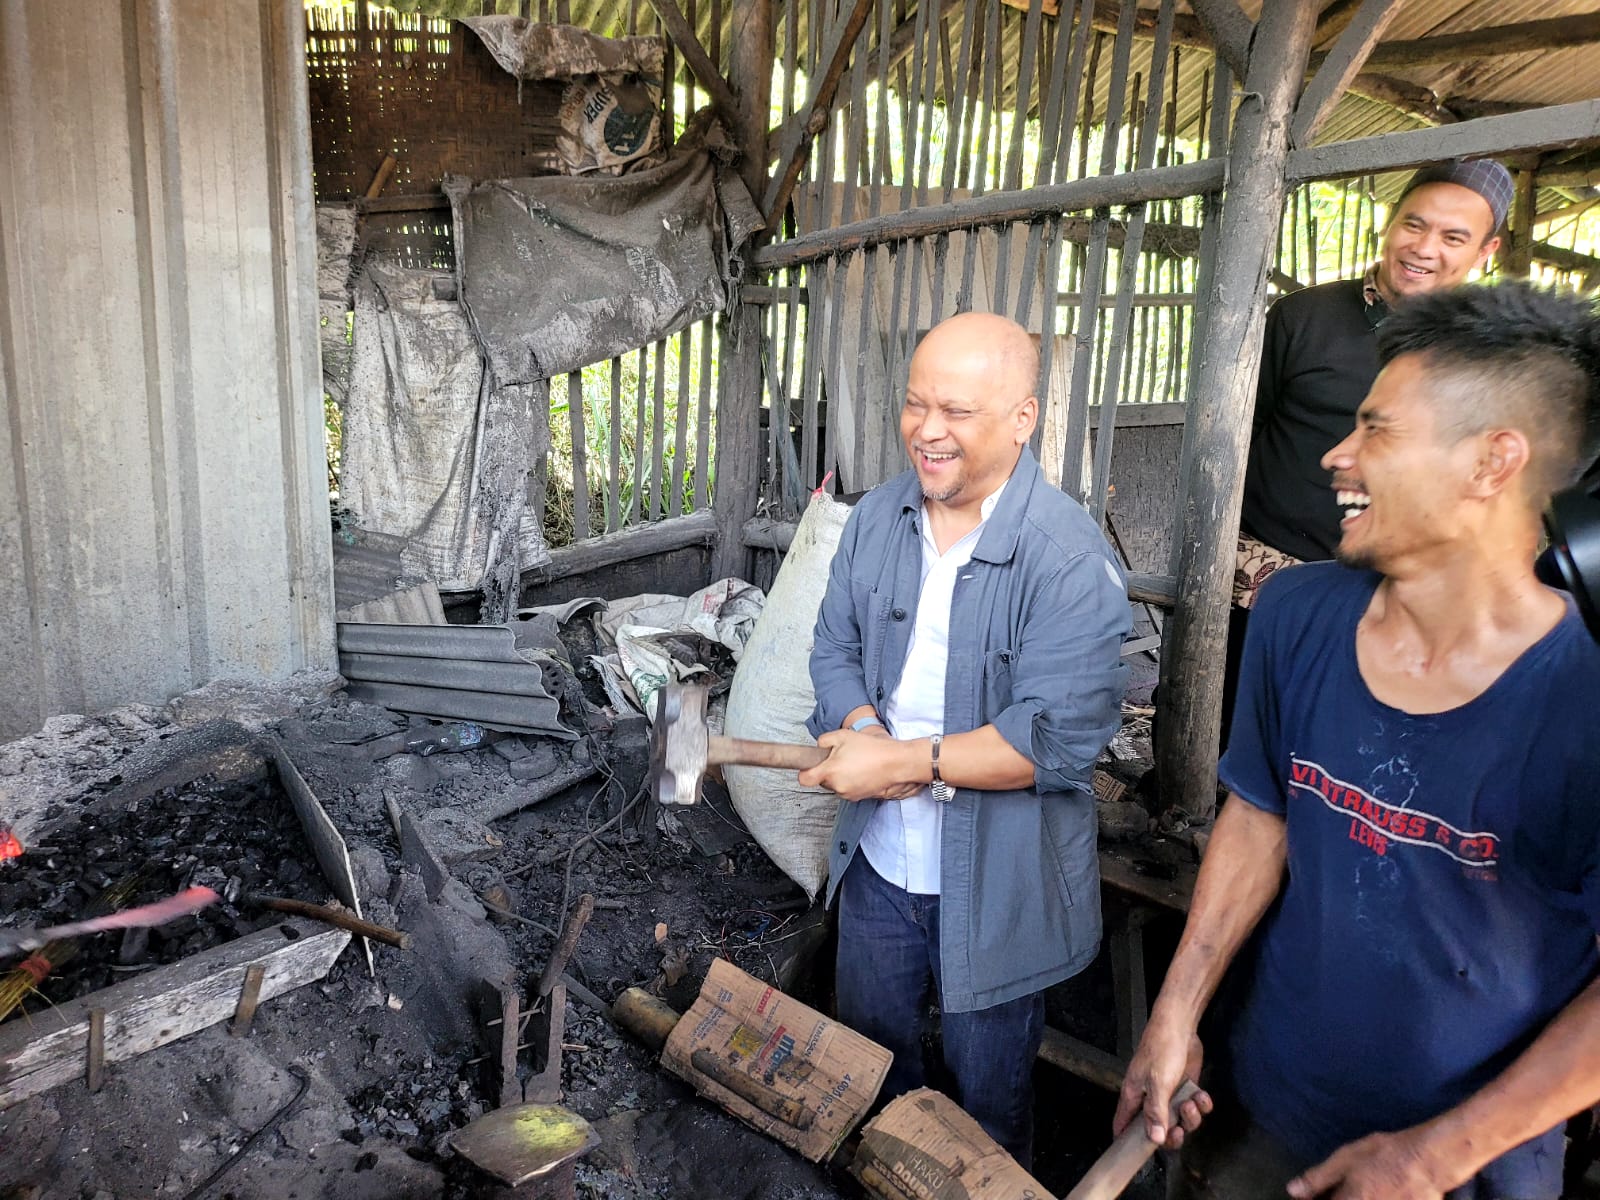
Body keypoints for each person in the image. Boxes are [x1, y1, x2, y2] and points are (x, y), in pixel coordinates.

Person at [1116, 280, 1600, 1200]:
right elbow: (1260, 818)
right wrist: (1176, 1012)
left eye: (1377, 430)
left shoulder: (1585, 694)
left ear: (1494, 462)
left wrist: (1435, 1156)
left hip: (1469, 1167)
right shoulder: (1297, 616)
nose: (1337, 455)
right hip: (1260, 1115)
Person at [798, 311, 1131, 1167]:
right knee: (875, 1074)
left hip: (999, 883)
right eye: (916, 406)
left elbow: (1053, 740)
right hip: (877, 864)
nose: (928, 431)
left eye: (958, 411)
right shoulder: (876, 517)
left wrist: (901, 762)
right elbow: (831, 646)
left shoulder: (1064, 558)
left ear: (1023, 419)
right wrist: (864, 728)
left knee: (984, 1114)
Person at [1217, 158, 1512, 745]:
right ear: (1389, 223)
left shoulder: (1490, 354)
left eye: (1454, 237)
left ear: (1487, 251)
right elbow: (1238, 436)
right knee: (1230, 729)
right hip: (1261, 581)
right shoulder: (1304, 317)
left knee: (1347, 743)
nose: (1424, 248)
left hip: (1394, 593)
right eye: (1414, 224)